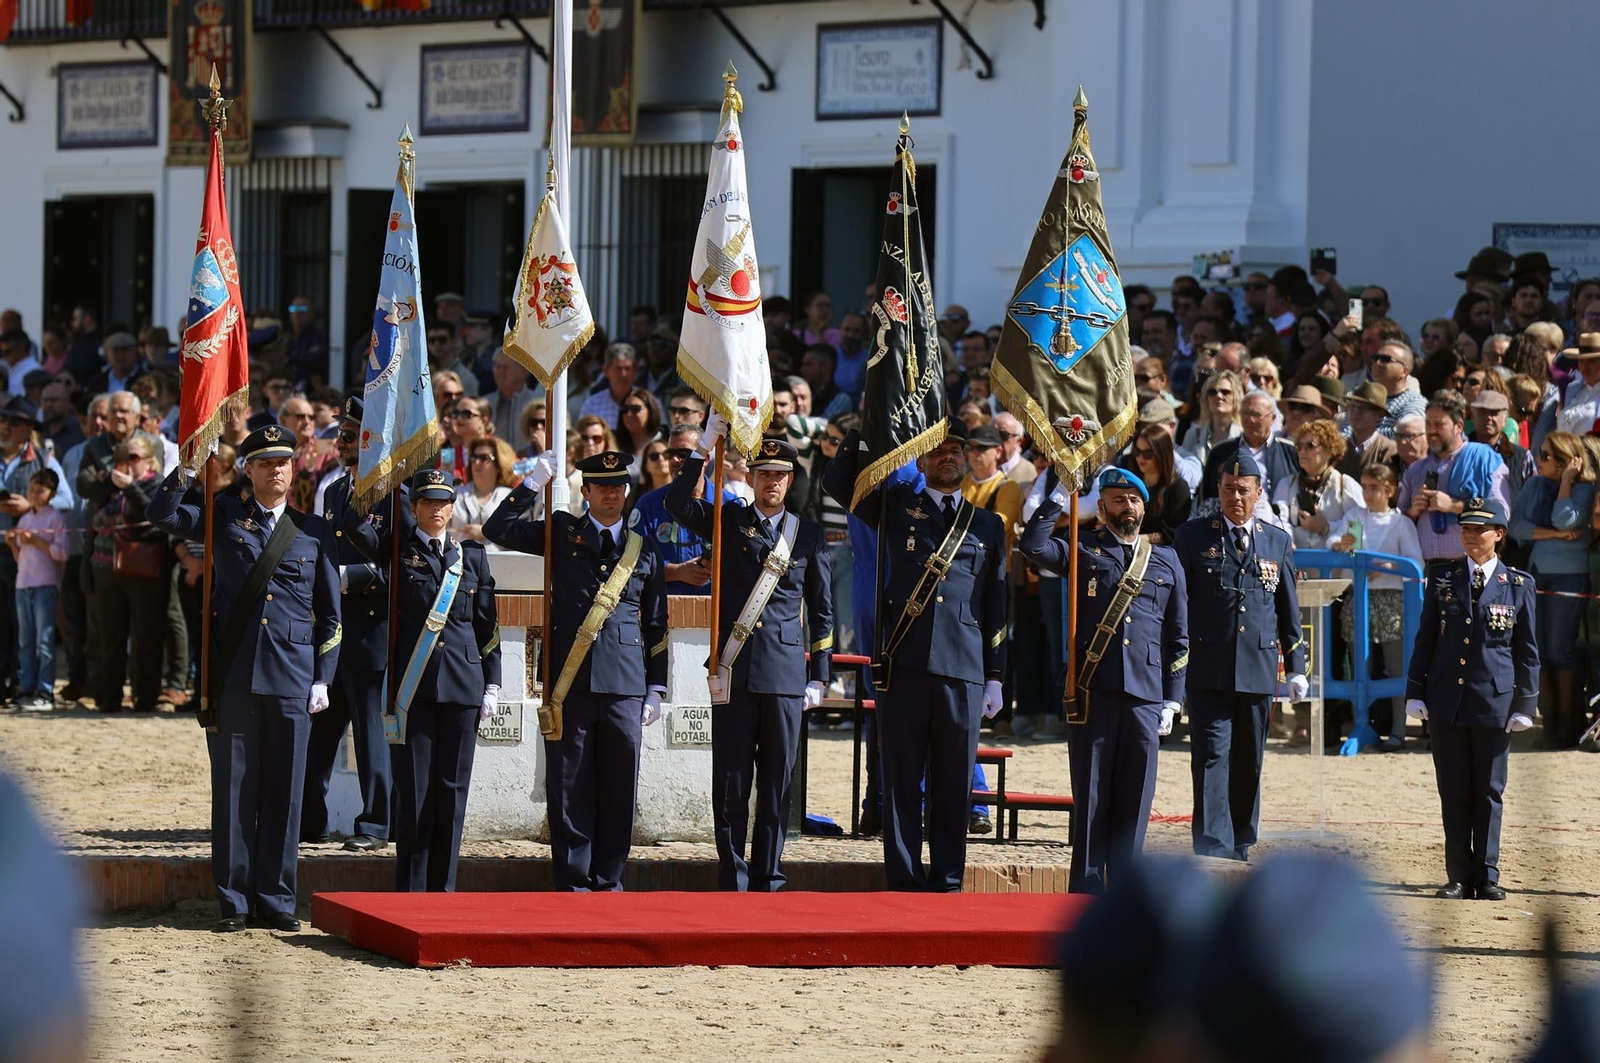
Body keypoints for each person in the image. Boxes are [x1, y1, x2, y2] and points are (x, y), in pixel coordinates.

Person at [146, 425, 342, 932]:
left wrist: (323, 676)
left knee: (285, 790)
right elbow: (161, 514)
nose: (276, 469)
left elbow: (330, 616)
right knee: (234, 790)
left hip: (294, 677)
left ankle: (276, 898)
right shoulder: (225, 516)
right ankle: (233, 900)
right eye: (264, 462)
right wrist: (188, 468)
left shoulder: (313, 531)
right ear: (247, 470)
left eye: (283, 461)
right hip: (235, 673)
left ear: (294, 469)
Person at [822, 417, 1008, 892]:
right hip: (904, 662)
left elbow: (996, 604)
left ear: (967, 458)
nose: (948, 456)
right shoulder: (895, 506)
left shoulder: (987, 524)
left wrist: (995, 675)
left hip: (963, 670)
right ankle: (904, 876)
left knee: (952, 782)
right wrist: (875, 421)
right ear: (920, 459)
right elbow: (837, 481)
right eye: (938, 449)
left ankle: (947, 876)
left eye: (956, 449)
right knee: (902, 779)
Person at [485, 450, 668, 892]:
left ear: (626, 491)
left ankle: (609, 879)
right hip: (571, 681)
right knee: (569, 787)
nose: (611, 494)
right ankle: (572, 881)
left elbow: (657, 624)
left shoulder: (644, 550)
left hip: (625, 683)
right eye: (601, 486)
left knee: (619, 786)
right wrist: (532, 484)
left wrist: (656, 686)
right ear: (584, 491)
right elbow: (498, 529)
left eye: (618, 487)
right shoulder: (562, 531)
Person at [667, 424, 833, 891]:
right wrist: (702, 450)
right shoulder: (728, 521)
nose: (772, 482)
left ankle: (769, 873)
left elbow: (822, 612)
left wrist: (819, 676)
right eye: (763, 473)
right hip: (735, 669)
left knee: (777, 783)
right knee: (732, 780)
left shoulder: (808, 535)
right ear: (751, 477)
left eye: (780, 474)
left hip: (783, 674)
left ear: (791, 479)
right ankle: (731, 872)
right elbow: (676, 504)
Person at [1021, 467, 1186, 893]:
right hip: (1093, 689)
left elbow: (1177, 634)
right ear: (1101, 508)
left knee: (1136, 801)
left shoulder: (1166, 559)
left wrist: (1173, 699)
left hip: (1146, 696)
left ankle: (1128, 895)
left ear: (1144, 507)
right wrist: (1060, 493)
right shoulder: (1083, 548)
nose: (1126, 506)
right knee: (1093, 798)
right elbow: (1033, 545)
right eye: (1116, 499)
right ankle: (1089, 891)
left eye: (1133, 499)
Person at [344, 468, 500, 892]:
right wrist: (365, 476)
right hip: (414, 690)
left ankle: (443, 892)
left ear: (453, 507)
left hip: (463, 688)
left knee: (452, 795)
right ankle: (411, 894)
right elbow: (351, 524)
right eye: (427, 502)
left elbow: (487, 627)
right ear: (413, 509)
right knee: (414, 795)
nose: (436, 509)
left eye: (443, 502)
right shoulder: (395, 550)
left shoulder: (472, 556)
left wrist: (492, 684)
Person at [1174, 451, 1306, 861]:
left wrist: (1297, 666)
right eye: (1229, 489)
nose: (1236, 497)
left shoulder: (1277, 540)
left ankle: (1241, 839)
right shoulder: (1193, 536)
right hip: (1208, 667)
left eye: (1244, 490)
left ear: (1259, 492)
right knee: (1212, 755)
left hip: (1258, 667)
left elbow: (1288, 609)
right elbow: (1178, 605)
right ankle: (1213, 844)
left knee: (1249, 760)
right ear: (1218, 490)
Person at [1406, 499, 1537, 901]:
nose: (1469, 536)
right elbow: (1426, 637)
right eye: (1464, 529)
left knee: (1489, 791)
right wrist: (1415, 691)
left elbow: (1526, 650)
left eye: (1479, 529)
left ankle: (1488, 874)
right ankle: (1459, 875)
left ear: (1498, 534)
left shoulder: (1518, 585)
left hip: (1494, 702)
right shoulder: (1442, 577)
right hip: (1448, 699)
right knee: (1454, 789)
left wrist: (1525, 705)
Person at [303, 398, 392, 853]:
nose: (339, 442)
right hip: (333, 632)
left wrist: (347, 579)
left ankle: (376, 825)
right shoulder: (336, 490)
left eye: (349, 434)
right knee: (319, 732)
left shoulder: (393, 491)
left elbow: (402, 569)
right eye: (339, 434)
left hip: (372, 630)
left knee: (371, 735)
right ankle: (308, 820)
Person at [1508, 431, 1595, 749]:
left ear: (1565, 461)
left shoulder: (1584, 489)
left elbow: (1564, 517)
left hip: (1569, 578)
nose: (1538, 459)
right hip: (1537, 576)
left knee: (1561, 651)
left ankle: (1570, 724)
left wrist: (1568, 482)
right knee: (1540, 652)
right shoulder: (1533, 485)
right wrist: (1554, 536)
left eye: (1545, 455)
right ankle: (1551, 723)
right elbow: (1516, 527)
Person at [1331, 464, 1425, 751]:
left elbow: (1415, 562)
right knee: (1361, 666)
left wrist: (1384, 567)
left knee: (1397, 667)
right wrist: (1339, 544)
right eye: (1365, 486)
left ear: (1389, 491)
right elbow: (1334, 538)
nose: (1368, 493)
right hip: (1358, 596)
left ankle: (1398, 729)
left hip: (1391, 600)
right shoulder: (1355, 516)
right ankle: (1364, 724)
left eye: (1374, 488)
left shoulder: (1400, 523)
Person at [0, 397, 73, 703]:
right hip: (10, 546)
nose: (5, 427)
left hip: (26, 553)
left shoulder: (44, 459)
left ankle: (24, 684)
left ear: (28, 428)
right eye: (4, 421)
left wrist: (30, 505)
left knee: (25, 627)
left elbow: (66, 500)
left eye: (13, 422)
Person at [1400, 390, 1510, 569]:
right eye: (1428, 424)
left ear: (1459, 426)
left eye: (1439, 424)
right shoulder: (1415, 469)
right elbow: (1397, 520)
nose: (1432, 431)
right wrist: (1413, 510)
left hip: (1471, 567)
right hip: (1427, 569)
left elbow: (1502, 512)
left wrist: (1453, 505)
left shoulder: (1484, 459)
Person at [6, 468, 67, 711]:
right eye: (32, 488)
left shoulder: (56, 518)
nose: (34, 493)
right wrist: (13, 544)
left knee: (44, 641)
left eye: (40, 490)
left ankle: (45, 691)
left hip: (44, 585)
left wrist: (38, 542)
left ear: (51, 494)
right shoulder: (25, 519)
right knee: (25, 641)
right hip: (23, 584)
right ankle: (27, 688)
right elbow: (21, 557)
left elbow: (61, 553)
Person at [1130, 424, 1192, 544]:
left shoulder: (1178, 488)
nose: (1140, 457)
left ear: (1162, 454)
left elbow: (1170, 534)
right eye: (1137, 452)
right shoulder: (1131, 482)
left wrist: (1133, 540)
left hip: (1160, 554)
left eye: (1148, 453)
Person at [452, 437, 517, 546]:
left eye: (484, 458)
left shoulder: (510, 497)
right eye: (473, 457)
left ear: (499, 464)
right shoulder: (455, 495)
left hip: (502, 561)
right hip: (461, 560)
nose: (476, 462)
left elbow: (517, 534)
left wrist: (485, 532)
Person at [1179, 370, 1242, 467]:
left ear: (1236, 397)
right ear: (1206, 399)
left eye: (1225, 392)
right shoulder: (1193, 434)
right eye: (1212, 392)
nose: (1218, 396)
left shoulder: (1243, 436)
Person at [483, 350, 540, 444]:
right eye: (497, 367)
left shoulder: (536, 404)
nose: (499, 372)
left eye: (505, 368)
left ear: (523, 371)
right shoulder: (485, 403)